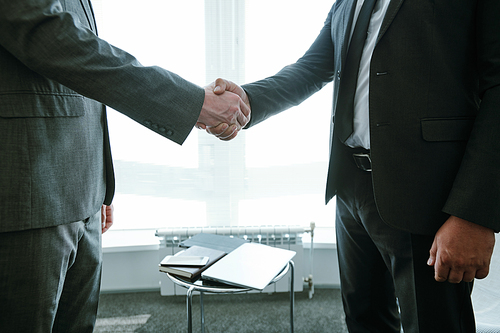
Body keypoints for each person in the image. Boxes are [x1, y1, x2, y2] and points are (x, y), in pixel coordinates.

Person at [204, 0, 500, 332]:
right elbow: (311, 68)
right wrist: (247, 99)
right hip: (351, 190)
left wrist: (474, 215)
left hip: (429, 195)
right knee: (364, 319)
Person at [0, 0, 249, 332]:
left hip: (81, 192)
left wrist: (98, 184)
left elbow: (80, 76)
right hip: (29, 190)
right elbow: (53, 38)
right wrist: (192, 103)